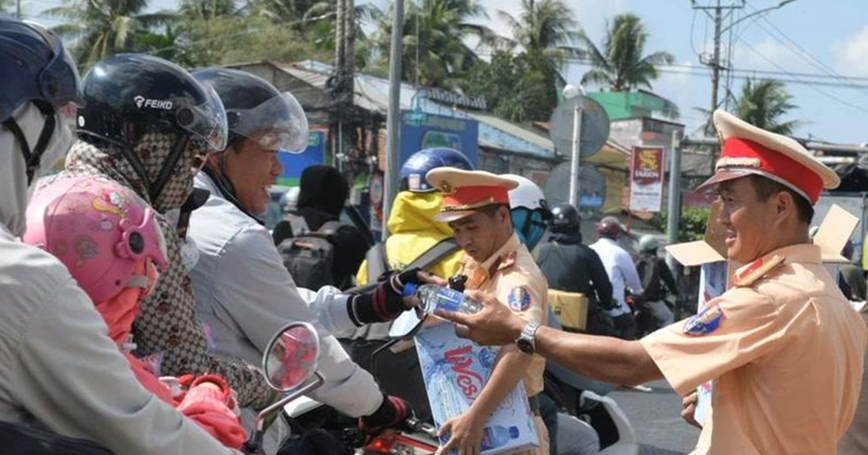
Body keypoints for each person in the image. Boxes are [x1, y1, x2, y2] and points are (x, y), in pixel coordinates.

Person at [436, 110, 868, 455]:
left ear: (779, 207)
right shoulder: (832, 298)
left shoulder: (772, 298)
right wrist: (723, 413)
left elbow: (632, 362)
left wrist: (520, 330)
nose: (719, 218)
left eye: (731, 201)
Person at [0, 16, 240, 455]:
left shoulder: (56, 194)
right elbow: (147, 430)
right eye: (189, 155)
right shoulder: (23, 280)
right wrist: (214, 392)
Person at [188, 68, 416, 450]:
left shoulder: (186, 214)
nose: (278, 168)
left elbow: (276, 303)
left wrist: (363, 305)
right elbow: (300, 345)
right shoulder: (230, 234)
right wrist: (378, 406)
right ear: (218, 148)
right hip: (228, 432)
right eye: (269, 149)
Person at [64, 53, 277, 410]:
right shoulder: (136, 223)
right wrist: (265, 384)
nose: (188, 177)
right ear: (151, 146)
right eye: (189, 157)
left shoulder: (42, 193)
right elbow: (186, 366)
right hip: (110, 415)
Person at [23, 174, 246, 449]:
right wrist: (208, 393)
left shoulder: (27, 340)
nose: (147, 286)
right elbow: (209, 440)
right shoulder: (103, 365)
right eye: (143, 270)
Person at [425, 167, 550, 455]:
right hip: (478, 418)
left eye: (472, 227)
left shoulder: (517, 277)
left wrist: (476, 416)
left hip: (509, 431)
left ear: (502, 217)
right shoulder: (480, 262)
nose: (464, 239)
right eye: (456, 230)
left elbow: (521, 346)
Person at [536, 203, 615, 336]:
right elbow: (604, 287)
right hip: (578, 326)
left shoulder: (539, 252)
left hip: (542, 320)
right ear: (576, 224)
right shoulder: (587, 254)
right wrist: (608, 304)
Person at [286, 164, 368, 289]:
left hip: (284, 306)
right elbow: (368, 280)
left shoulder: (284, 229)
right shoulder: (347, 236)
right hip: (329, 307)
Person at [589, 216, 643, 339]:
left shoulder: (589, 249)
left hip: (589, 305)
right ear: (617, 234)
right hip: (611, 307)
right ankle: (623, 356)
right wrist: (637, 292)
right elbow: (634, 283)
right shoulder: (620, 253)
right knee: (630, 324)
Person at [634, 235, 677, 334]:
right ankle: (662, 341)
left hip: (633, 297)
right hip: (651, 299)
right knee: (668, 318)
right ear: (655, 248)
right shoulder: (658, 261)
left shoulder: (633, 258)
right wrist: (675, 292)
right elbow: (669, 280)